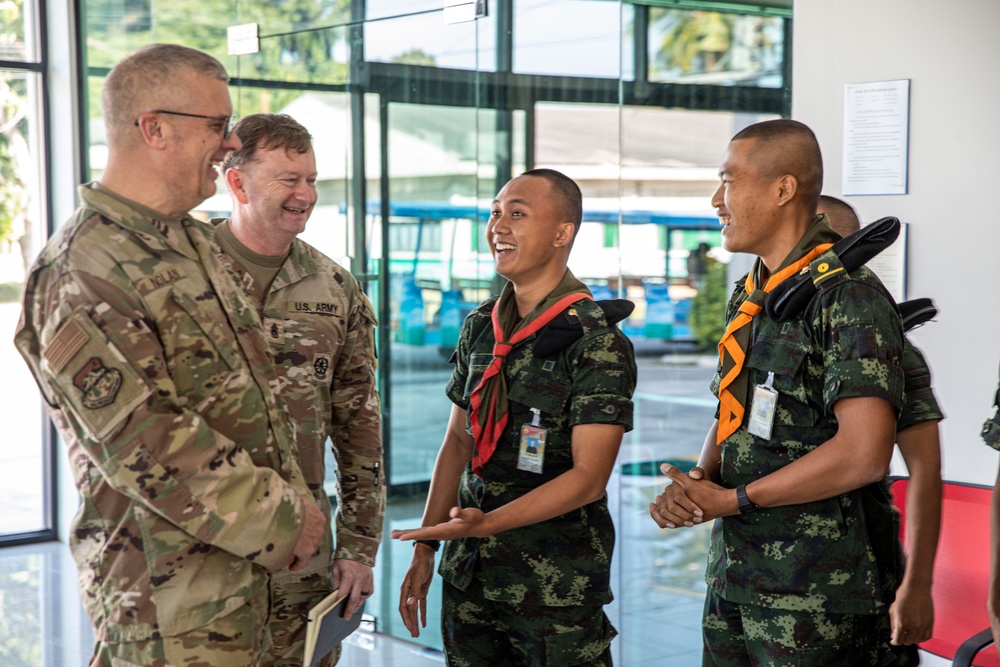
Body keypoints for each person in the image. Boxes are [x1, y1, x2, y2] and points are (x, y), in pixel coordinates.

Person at [14, 44, 325, 667]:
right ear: (152, 128)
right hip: (173, 608)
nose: (230, 141)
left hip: (251, 586)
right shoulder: (82, 268)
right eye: (216, 124)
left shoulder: (188, 241)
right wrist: (288, 518)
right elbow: (144, 441)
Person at [649, 119, 905, 666]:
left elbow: (863, 453)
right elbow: (733, 412)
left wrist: (735, 500)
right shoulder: (751, 291)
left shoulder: (847, 295)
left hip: (815, 595)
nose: (717, 200)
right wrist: (698, 484)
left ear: (783, 189)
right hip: (735, 575)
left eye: (728, 181)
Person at [392, 168, 637, 665]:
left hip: (553, 585)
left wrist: (486, 525)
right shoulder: (482, 325)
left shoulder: (596, 340)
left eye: (517, 214)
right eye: (495, 212)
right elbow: (458, 443)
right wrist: (426, 547)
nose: (498, 225)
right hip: (470, 575)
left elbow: (589, 479)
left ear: (562, 233)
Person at [216, 113, 385, 667]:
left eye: (311, 179)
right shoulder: (187, 275)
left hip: (301, 552)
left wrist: (359, 548)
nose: (306, 194)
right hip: (203, 547)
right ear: (237, 181)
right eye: (289, 179)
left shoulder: (334, 287)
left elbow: (360, 428)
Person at [819, 194, 943, 663]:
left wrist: (917, 585)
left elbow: (925, 472)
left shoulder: (885, 343)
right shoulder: (769, 328)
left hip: (855, 579)